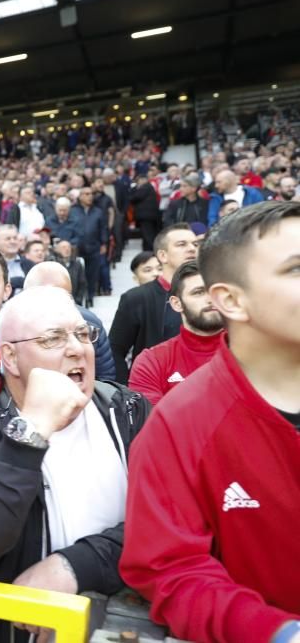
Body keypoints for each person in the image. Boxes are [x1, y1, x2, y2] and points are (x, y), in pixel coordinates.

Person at [120, 201, 300, 643]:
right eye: (296, 269)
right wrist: (276, 633)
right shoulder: (179, 425)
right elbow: (171, 570)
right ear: (231, 300)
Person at [0, 286, 150, 643]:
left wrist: (74, 566)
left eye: (83, 334)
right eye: (53, 338)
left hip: (122, 626)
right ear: (10, 358)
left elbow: (175, 519)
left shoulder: (127, 411)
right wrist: (29, 433)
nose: (77, 348)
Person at [109, 223, 198, 383]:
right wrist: (125, 393)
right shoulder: (136, 298)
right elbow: (115, 350)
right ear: (162, 256)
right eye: (181, 244)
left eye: (195, 244)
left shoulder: (212, 293)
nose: (192, 248)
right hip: (153, 393)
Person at [127, 260, 224, 405]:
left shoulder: (257, 354)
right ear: (176, 304)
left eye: (216, 291)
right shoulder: (152, 362)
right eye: (199, 292)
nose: (210, 299)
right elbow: (152, 423)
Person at [23, 262, 116, 381]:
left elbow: (106, 377)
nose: (55, 303)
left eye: (63, 297)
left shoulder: (90, 324)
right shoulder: (16, 328)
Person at [73, 187, 109, 304]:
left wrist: (104, 243)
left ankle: (90, 296)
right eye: (86, 194)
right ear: (80, 196)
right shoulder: (73, 211)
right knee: (78, 274)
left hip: (94, 246)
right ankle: (78, 298)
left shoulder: (98, 211)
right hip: (77, 248)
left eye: (91, 194)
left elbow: (103, 228)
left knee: (92, 274)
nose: (90, 196)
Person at [130, 175, 162, 252]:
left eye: (138, 180)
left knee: (148, 235)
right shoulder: (148, 187)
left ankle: (152, 252)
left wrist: (135, 188)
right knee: (146, 236)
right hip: (149, 216)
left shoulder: (146, 187)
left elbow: (134, 197)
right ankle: (147, 251)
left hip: (146, 216)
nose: (138, 183)